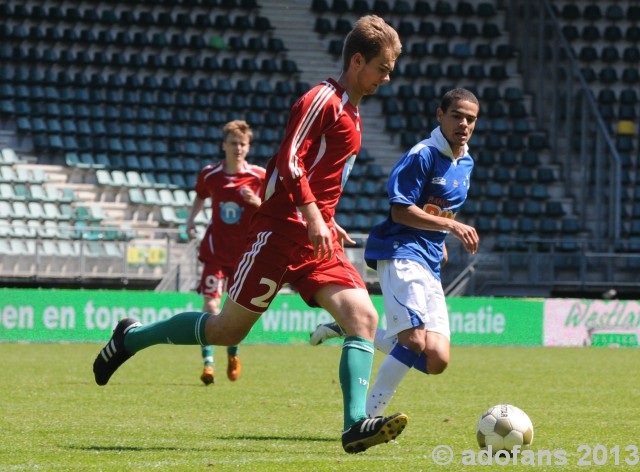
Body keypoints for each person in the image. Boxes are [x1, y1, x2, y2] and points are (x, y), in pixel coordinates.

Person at [93, 15, 407, 454]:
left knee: (363, 319)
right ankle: (130, 338)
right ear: (358, 60)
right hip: (280, 233)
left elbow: (313, 174)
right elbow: (291, 160)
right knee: (225, 331)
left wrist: (326, 219)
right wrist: (313, 214)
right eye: (383, 67)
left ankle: (355, 425)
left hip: (316, 239)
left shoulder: (352, 112)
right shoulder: (322, 99)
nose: (387, 78)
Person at [310, 88, 480, 418]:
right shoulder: (423, 155)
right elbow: (401, 211)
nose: (463, 123)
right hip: (401, 251)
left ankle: (352, 327)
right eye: (457, 115)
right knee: (413, 340)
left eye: (470, 119)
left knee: (436, 360)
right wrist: (452, 229)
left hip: (428, 259)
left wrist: (440, 236)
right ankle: (367, 418)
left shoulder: (466, 162)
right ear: (439, 115)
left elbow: (440, 207)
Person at [186, 120, 265, 385]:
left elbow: (275, 208)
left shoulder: (258, 177)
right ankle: (208, 365)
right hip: (215, 253)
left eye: (242, 144)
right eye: (233, 143)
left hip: (244, 256)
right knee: (210, 306)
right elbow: (200, 196)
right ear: (224, 145)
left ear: (248, 146)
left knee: (235, 312)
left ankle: (233, 353)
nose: (238, 148)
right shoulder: (211, 174)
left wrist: (257, 203)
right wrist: (190, 220)